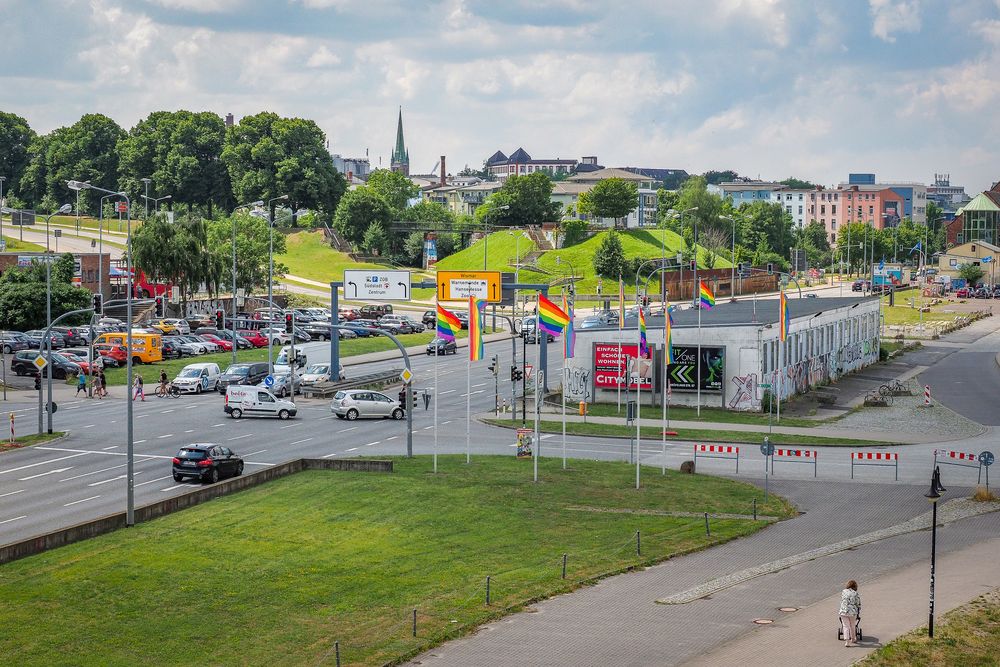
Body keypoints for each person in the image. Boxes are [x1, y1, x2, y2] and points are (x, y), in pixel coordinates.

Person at [839, 580, 861, 647]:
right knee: (852, 625)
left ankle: (847, 642)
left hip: (843, 611)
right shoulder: (855, 593)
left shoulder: (843, 591)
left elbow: (842, 600)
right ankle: (853, 639)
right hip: (852, 612)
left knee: (845, 626)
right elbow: (858, 604)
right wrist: (859, 609)